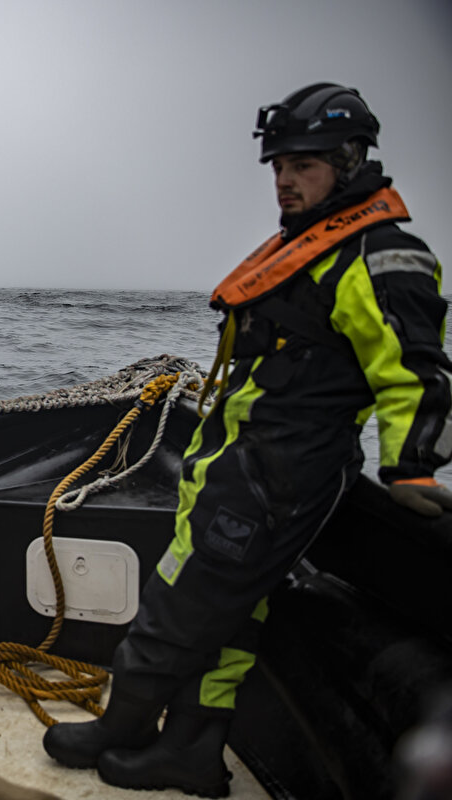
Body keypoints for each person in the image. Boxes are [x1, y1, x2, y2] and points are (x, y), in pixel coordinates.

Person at [43, 83, 452, 795]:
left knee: (179, 603)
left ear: (351, 162)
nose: (286, 181)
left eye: (305, 166)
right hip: (248, 468)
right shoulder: (319, 249)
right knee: (232, 618)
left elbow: (414, 372)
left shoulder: (379, 257)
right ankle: (193, 754)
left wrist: (410, 469)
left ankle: (126, 724)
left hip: (276, 478)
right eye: (279, 167)